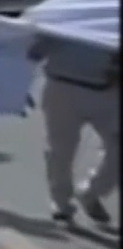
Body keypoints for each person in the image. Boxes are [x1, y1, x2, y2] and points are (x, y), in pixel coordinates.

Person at [30, 36, 119, 225]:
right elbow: (34, 51)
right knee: (60, 149)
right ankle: (60, 202)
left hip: (109, 91)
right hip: (62, 87)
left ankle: (91, 191)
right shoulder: (66, 12)